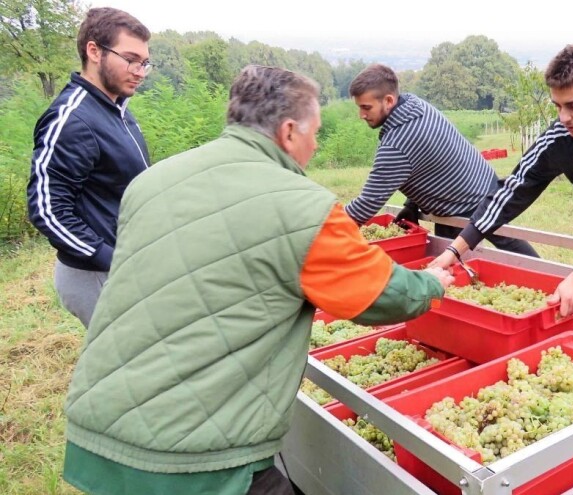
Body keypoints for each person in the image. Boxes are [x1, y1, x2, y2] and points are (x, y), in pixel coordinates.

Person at [61, 65, 454, 495]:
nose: (316, 145)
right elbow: (384, 296)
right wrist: (433, 282)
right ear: (288, 132)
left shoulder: (149, 183)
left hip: (98, 428)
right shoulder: (303, 207)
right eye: (315, 133)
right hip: (191, 456)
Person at [431, 43, 573, 317]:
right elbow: (515, 188)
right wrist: (456, 250)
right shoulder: (562, 135)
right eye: (558, 106)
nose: (564, 117)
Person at [26, 7, 152, 328]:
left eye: (145, 63)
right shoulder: (73, 119)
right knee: (126, 365)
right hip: (95, 275)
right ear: (94, 51)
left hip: (124, 264)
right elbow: (47, 209)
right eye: (130, 59)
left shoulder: (117, 109)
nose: (139, 71)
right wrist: (108, 258)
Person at [344, 63, 539, 257]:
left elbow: (366, 204)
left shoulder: (395, 144)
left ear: (388, 100)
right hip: (482, 181)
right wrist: (411, 205)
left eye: (366, 107)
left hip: (462, 203)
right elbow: (426, 162)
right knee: (497, 246)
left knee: (497, 252)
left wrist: (327, 228)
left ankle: (552, 280)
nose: (361, 115)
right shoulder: (414, 105)